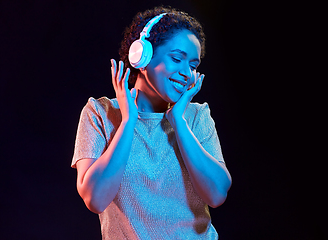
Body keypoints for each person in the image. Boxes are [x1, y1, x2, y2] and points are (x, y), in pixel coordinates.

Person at [71, 6, 232, 239]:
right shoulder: (99, 113)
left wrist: (178, 120)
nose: (187, 73)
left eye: (193, 66)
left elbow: (217, 194)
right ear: (142, 56)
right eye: (177, 58)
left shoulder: (196, 116)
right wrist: (128, 122)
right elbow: (95, 199)